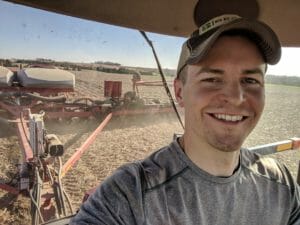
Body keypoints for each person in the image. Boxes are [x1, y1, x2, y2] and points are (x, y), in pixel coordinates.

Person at [70, 14, 300, 225]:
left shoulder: (281, 185)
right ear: (180, 92)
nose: (236, 98)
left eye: (250, 80)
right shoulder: (130, 195)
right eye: (212, 79)